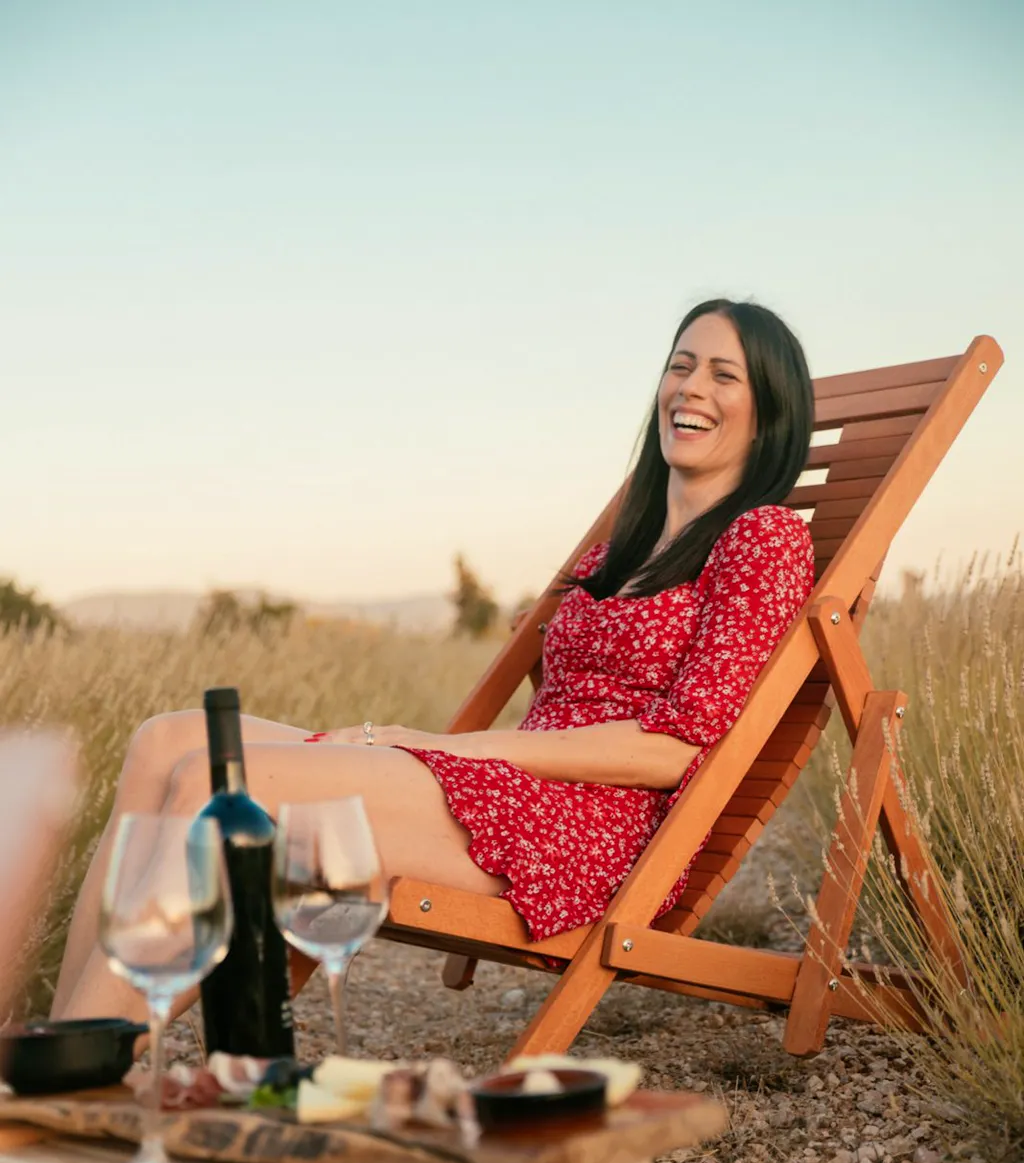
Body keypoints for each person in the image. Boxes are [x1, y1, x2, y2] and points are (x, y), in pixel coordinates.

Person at [50, 297, 815, 1028]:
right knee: (169, 742)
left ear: (769, 414)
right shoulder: (619, 546)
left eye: (725, 375)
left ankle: (84, 1071)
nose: (691, 386)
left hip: (589, 827)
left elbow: (673, 749)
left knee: (222, 784)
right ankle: (65, 1045)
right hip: (510, 792)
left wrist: (437, 745)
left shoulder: (763, 538)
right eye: (681, 365)